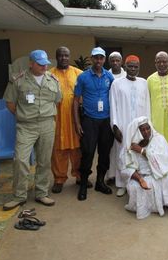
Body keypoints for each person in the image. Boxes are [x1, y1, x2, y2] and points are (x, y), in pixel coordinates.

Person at [3, 49, 61, 210]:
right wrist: (23, 115)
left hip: (47, 124)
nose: (44, 67)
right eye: (40, 64)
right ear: (31, 63)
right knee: (20, 159)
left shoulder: (53, 80)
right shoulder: (19, 80)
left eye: (45, 64)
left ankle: (41, 193)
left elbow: (56, 100)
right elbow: (10, 102)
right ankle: (19, 196)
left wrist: (45, 115)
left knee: (44, 160)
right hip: (26, 126)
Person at [121, 117, 168, 219]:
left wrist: (142, 151)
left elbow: (164, 161)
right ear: (137, 131)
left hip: (158, 172)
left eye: (148, 128)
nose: (146, 132)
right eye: (143, 130)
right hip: (142, 176)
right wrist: (140, 179)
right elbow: (126, 168)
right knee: (136, 186)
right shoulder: (130, 147)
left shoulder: (159, 139)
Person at [74, 47, 114, 201]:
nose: (98, 61)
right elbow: (76, 100)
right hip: (89, 120)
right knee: (88, 153)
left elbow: (114, 97)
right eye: (96, 58)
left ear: (104, 60)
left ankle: (100, 182)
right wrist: (77, 122)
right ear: (91, 58)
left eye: (101, 58)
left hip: (105, 120)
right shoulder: (83, 77)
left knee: (104, 153)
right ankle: (83, 184)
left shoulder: (109, 76)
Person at [50, 46, 89, 194]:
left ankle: (80, 176)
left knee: (77, 149)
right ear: (57, 57)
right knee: (58, 150)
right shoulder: (50, 75)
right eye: (60, 56)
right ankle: (59, 179)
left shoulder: (78, 73)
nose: (63, 58)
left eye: (66, 56)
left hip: (75, 118)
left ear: (69, 56)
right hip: (57, 119)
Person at [109, 55, 150, 197]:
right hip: (123, 125)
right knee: (122, 154)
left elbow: (148, 106)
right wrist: (114, 126)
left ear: (139, 67)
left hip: (139, 126)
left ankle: (137, 182)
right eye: (130, 66)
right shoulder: (117, 83)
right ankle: (121, 184)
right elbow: (113, 105)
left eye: (135, 66)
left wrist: (147, 127)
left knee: (137, 153)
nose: (133, 69)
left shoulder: (144, 83)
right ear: (125, 67)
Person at [147, 51, 168, 186]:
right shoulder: (150, 80)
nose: (162, 64)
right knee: (158, 151)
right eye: (159, 61)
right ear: (155, 63)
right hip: (156, 122)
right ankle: (161, 182)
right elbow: (147, 101)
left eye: (164, 61)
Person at [106, 51, 127, 184]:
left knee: (123, 147)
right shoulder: (106, 75)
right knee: (111, 148)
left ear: (121, 61)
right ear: (110, 62)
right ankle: (111, 174)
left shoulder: (127, 75)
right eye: (112, 60)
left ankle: (124, 175)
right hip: (109, 115)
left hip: (124, 115)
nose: (115, 63)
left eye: (117, 60)